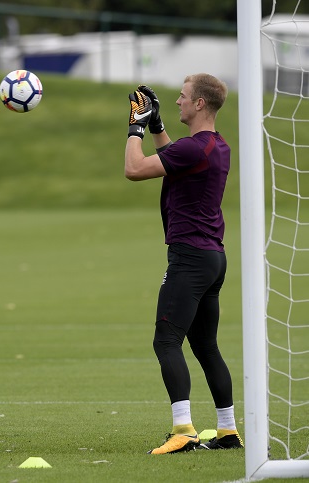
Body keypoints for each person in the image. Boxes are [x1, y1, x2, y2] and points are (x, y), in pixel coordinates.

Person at [123, 74, 243, 454]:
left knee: (166, 340)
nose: (177, 101)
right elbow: (178, 158)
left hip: (189, 258)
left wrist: (136, 128)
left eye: (183, 96)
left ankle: (184, 430)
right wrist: (157, 126)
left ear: (200, 104)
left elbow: (135, 168)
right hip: (212, 258)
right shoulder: (214, 145)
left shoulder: (194, 149)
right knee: (206, 346)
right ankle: (227, 431)